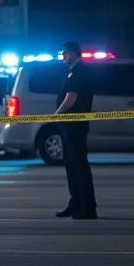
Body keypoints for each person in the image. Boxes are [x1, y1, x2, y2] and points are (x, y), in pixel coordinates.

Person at [53, 42, 97, 219]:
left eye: (63, 53)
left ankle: (87, 208)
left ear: (72, 53)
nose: (62, 56)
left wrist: (56, 114)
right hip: (69, 125)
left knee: (78, 166)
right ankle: (76, 203)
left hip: (75, 126)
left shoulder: (79, 71)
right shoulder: (72, 70)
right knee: (71, 165)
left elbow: (71, 98)